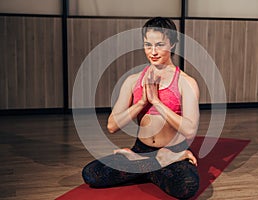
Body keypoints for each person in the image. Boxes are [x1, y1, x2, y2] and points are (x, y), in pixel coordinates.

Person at [82, 17, 200, 199]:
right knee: (91, 173)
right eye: (147, 45)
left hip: (174, 150)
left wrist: (157, 102)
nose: (153, 52)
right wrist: (141, 103)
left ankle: (142, 165)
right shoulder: (132, 81)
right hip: (142, 149)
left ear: (173, 43)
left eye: (160, 45)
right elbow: (112, 126)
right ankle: (154, 162)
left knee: (187, 186)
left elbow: (190, 130)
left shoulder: (186, 83)